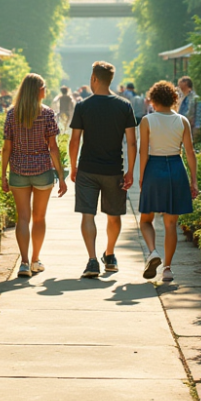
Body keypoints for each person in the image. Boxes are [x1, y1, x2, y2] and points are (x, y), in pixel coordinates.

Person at [68, 61, 138, 278]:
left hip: (87, 169)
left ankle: (91, 261)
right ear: (111, 80)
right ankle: (110, 254)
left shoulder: (83, 106)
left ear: (94, 79)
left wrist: (73, 167)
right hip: (114, 169)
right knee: (114, 215)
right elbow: (132, 142)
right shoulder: (124, 106)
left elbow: (74, 140)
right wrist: (130, 171)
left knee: (88, 215)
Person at [1, 74, 67, 278]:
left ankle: (24, 262)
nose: (46, 90)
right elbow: (53, 148)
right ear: (38, 90)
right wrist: (61, 177)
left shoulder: (12, 114)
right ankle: (36, 260)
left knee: (23, 218)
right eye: (44, 87)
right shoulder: (47, 113)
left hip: (19, 171)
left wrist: (3, 174)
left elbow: (6, 148)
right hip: (42, 172)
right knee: (39, 218)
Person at [138, 80, 198, 283]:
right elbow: (190, 152)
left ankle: (153, 252)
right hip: (176, 168)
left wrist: (141, 176)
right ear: (174, 99)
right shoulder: (182, 121)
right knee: (171, 223)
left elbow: (143, 151)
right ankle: (168, 269)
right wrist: (194, 181)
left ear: (153, 100)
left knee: (146, 219)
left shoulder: (147, 121)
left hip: (154, 168)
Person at [176, 76, 201, 141]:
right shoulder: (181, 98)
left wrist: (197, 128)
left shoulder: (195, 98)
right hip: (182, 128)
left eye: (181, 82)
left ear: (186, 83)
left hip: (191, 128)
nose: (178, 84)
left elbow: (197, 114)